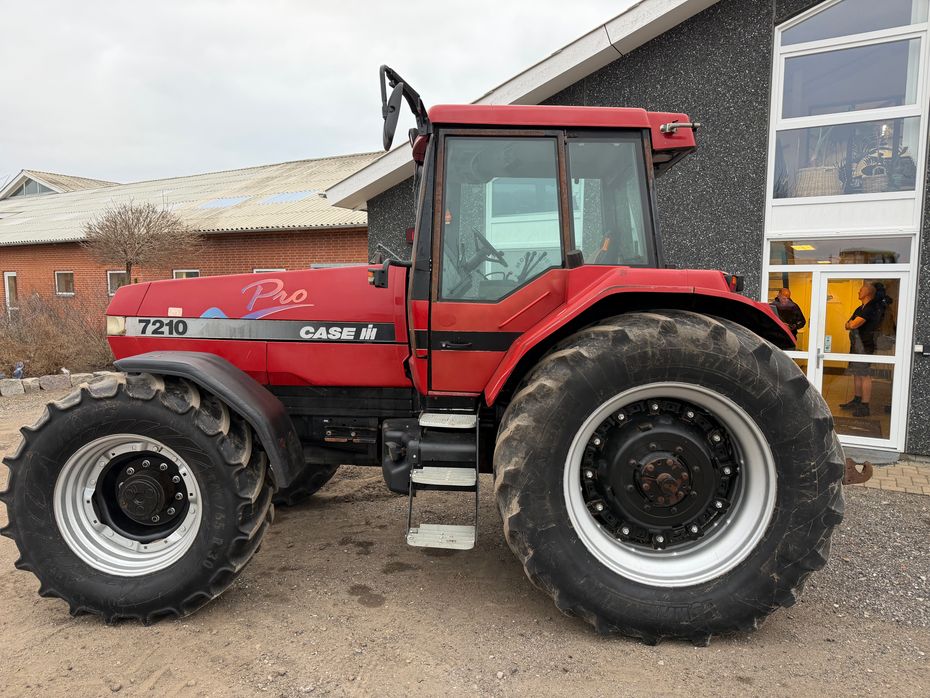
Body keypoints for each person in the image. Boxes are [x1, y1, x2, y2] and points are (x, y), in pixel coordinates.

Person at [841, 282, 892, 417]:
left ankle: (865, 406)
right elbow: (847, 324)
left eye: (861, 290)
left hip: (865, 346)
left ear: (868, 293)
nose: (858, 291)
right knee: (857, 373)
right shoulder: (860, 308)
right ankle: (857, 400)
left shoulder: (870, 308)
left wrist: (851, 324)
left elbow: (853, 324)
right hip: (857, 344)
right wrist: (850, 324)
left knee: (865, 375)